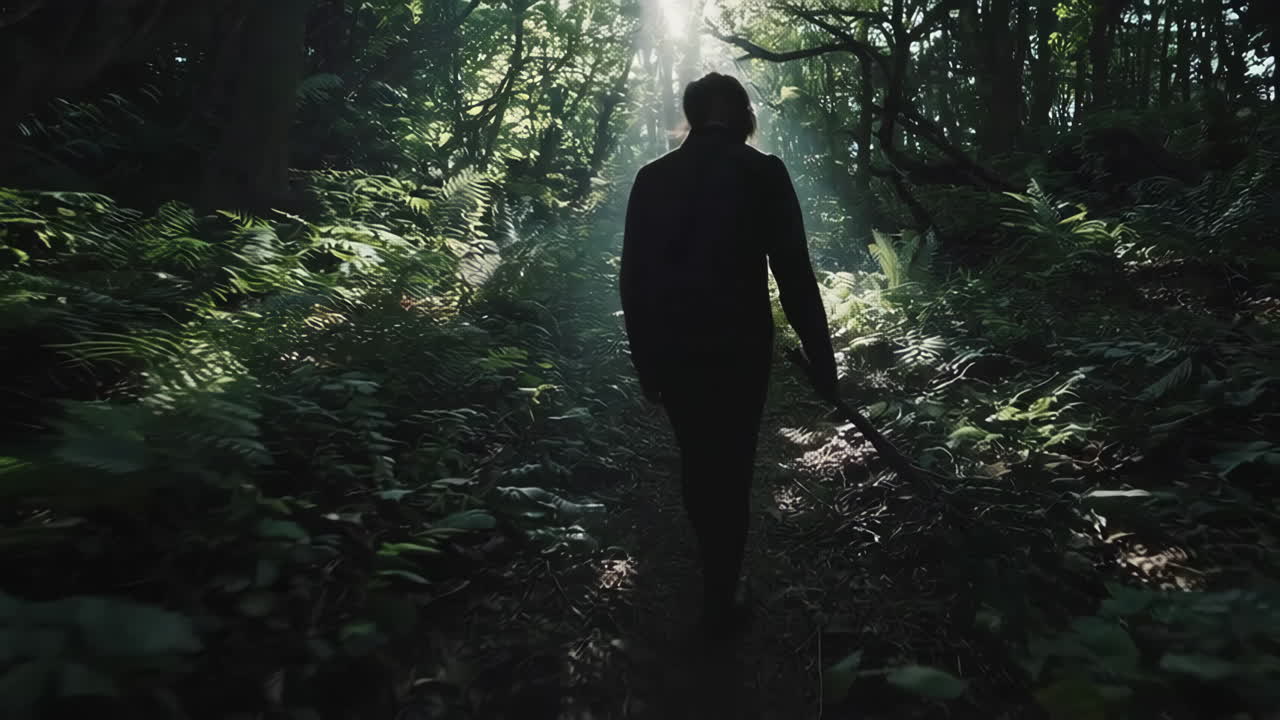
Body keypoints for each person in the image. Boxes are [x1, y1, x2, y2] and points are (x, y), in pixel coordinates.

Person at [619, 72, 838, 643]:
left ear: (692, 116)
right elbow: (794, 272)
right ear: (743, 115)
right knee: (734, 463)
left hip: (676, 346)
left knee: (697, 456)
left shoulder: (653, 178)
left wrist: (646, 362)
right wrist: (823, 359)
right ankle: (724, 584)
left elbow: (634, 282)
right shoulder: (762, 172)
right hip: (741, 346)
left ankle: (713, 573)